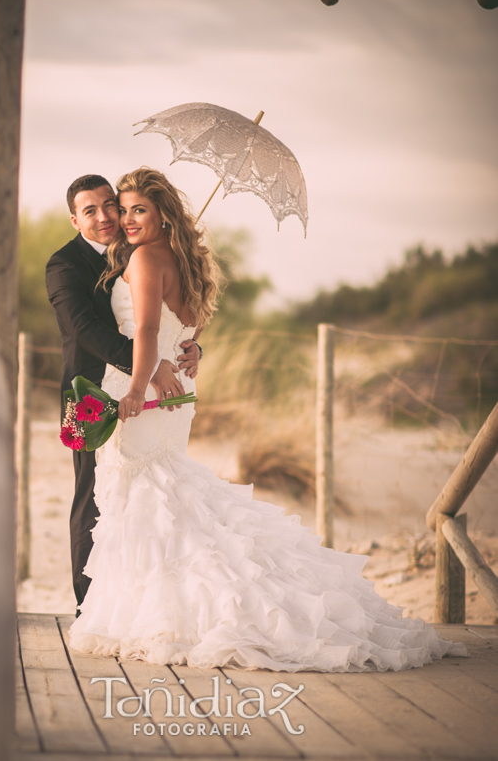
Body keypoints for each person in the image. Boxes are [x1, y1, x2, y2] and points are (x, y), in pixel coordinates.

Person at [68, 168, 466, 672]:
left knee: (151, 496)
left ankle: (170, 614)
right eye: (122, 210)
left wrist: (135, 388)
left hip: (150, 392)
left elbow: (147, 331)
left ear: (162, 213)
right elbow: (184, 329)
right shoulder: (181, 260)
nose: (125, 219)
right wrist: (187, 350)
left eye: (137, 209)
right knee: (164, 495)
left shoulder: (147, 257)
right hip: (177, 391)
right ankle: (155, 610)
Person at [46, 174, 201, 612]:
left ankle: (134, 601)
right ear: (75, 220)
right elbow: (84, 329)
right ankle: (88, 604)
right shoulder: (63, 265)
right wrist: (148, 366)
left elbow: (166, 314)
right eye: (90, 211)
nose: (104, 217)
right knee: (91, 496)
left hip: (139, 392)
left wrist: (190, 347)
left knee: (135, 498)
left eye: (108, 205)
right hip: (88, 392)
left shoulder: (134, 251)